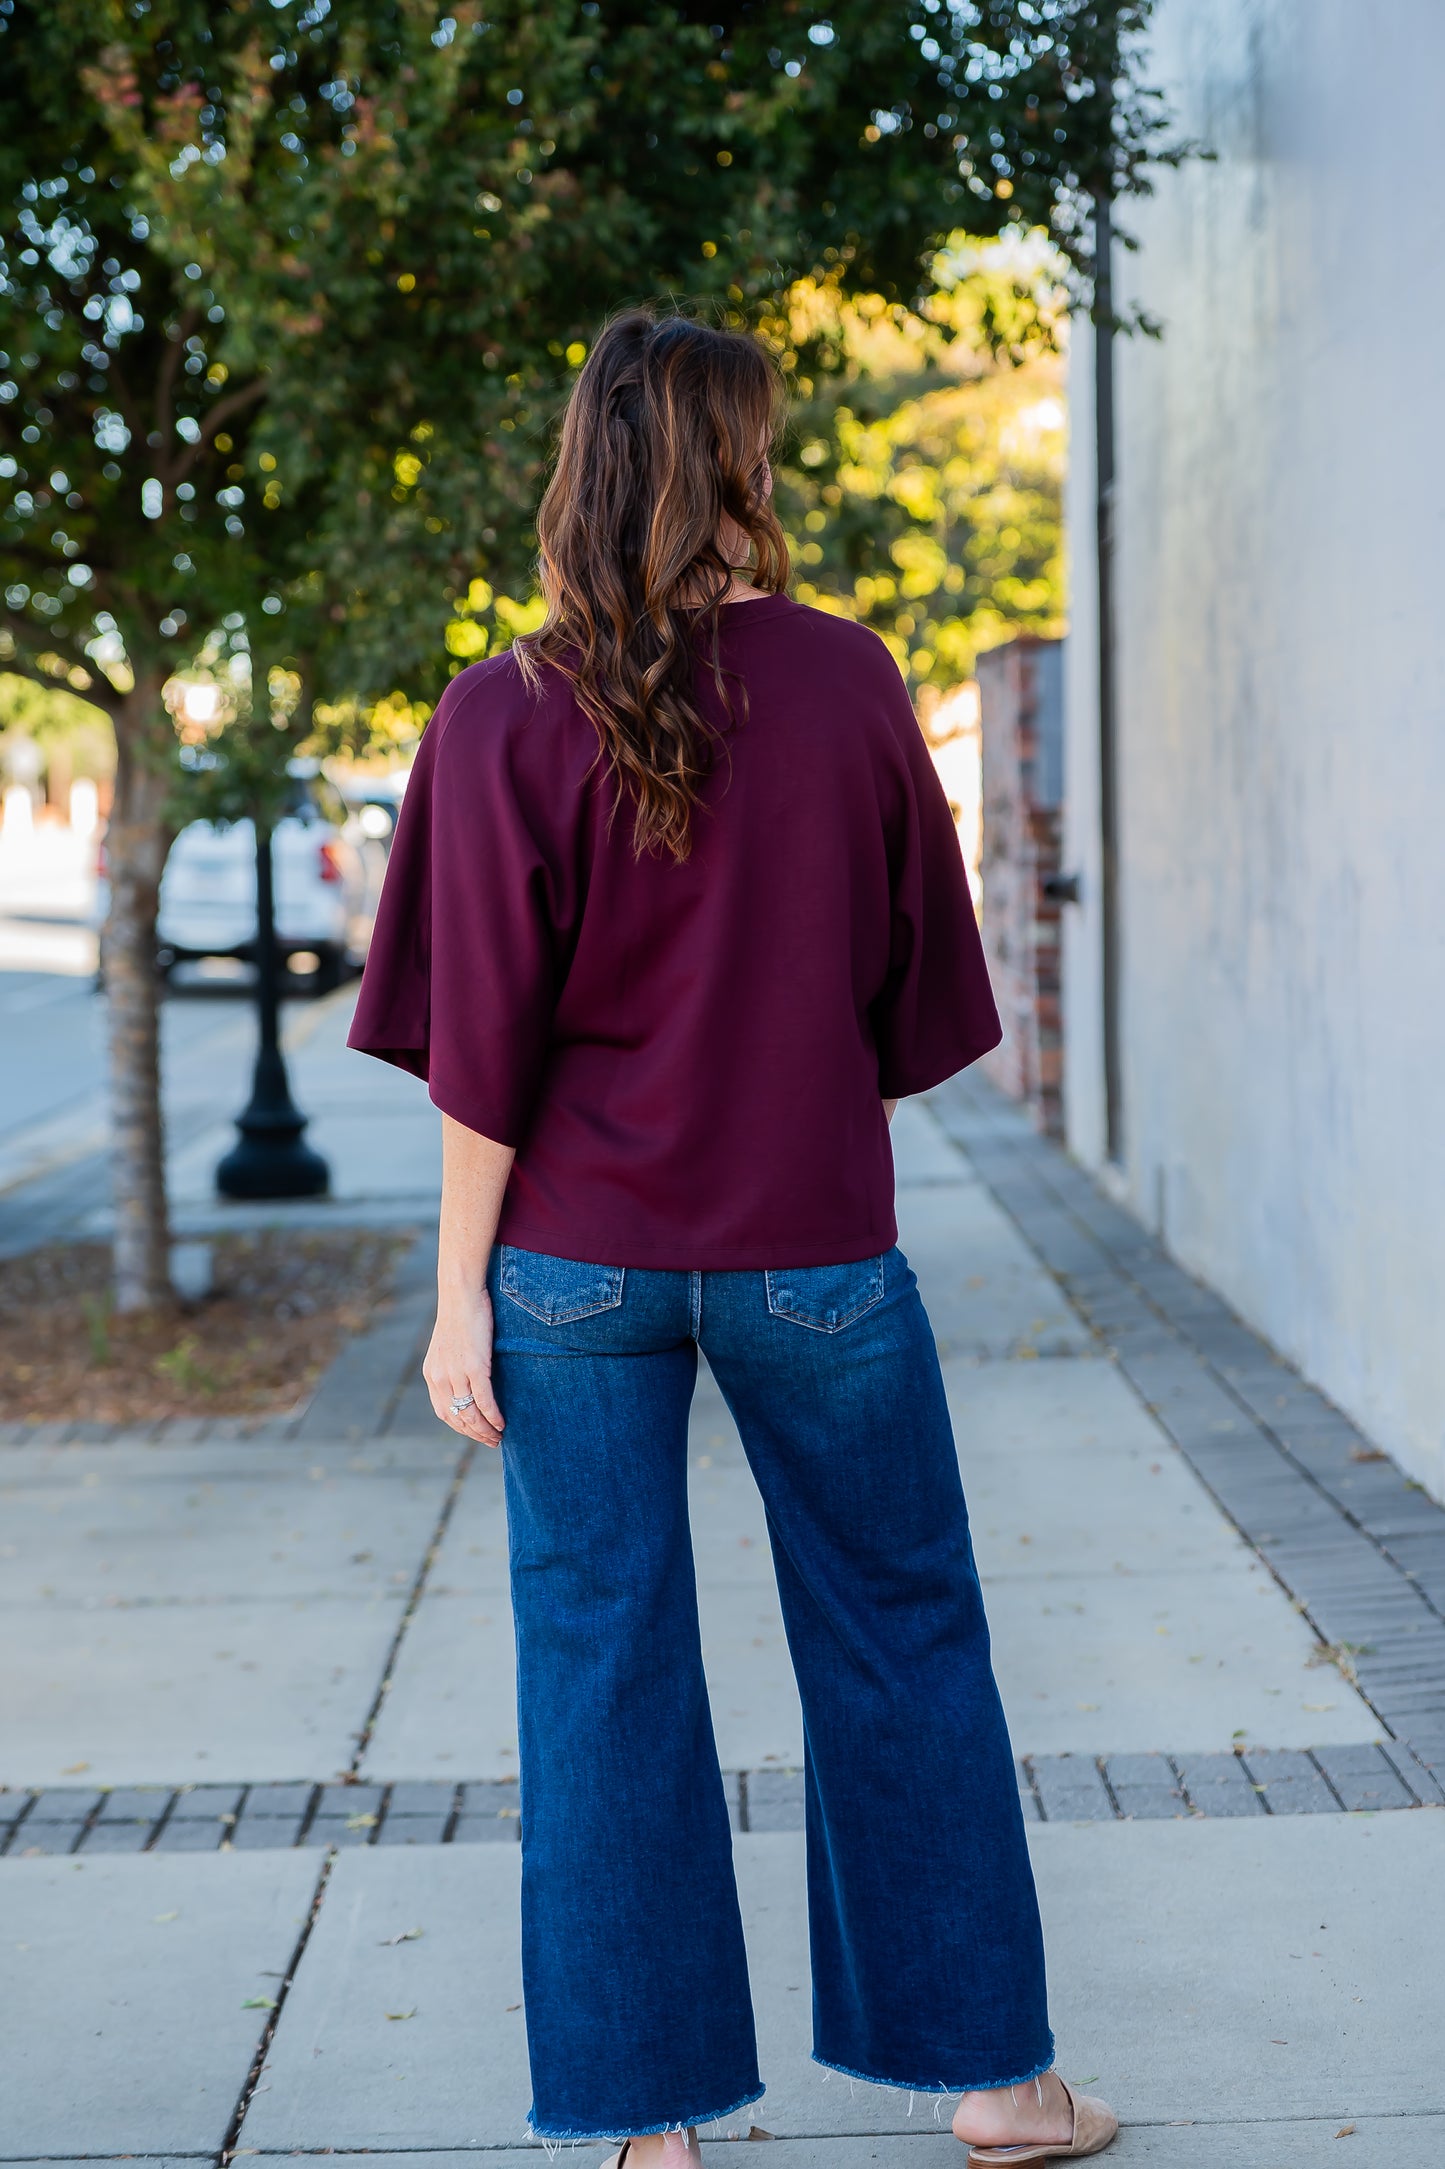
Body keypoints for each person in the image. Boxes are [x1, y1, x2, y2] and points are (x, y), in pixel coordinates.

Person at [348, 309, 1118, 2169]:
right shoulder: (853, 684)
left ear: (586, 460)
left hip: (574, 1264)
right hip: (815, 1251)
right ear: (740, 466)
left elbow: (481, 1053)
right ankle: (999, 2088)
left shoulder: (497, 708)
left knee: (601, 1665)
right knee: (903, 1634)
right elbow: (925, 1008)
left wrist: (458, 1294)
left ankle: (646, 2128)